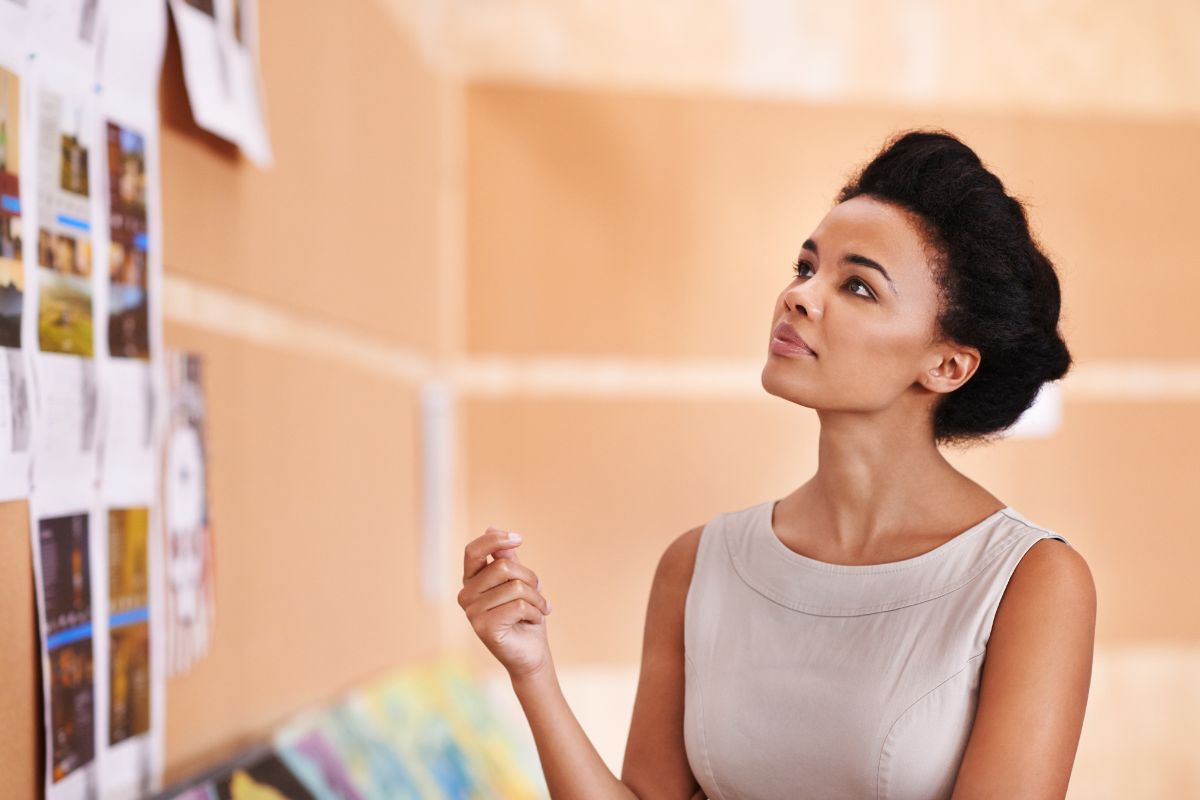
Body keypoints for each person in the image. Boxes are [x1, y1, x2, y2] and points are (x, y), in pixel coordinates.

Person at [459, 130, 1096, 799]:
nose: (800, 296)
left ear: (946, 365)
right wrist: (531, 670)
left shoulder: (1028, 582)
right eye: (805, 267)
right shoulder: (699, 565)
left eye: (857, 285)